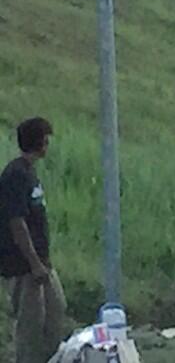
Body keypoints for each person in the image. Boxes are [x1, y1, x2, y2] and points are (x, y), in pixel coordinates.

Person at [1, 118, 65, 363]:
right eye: (45, 139)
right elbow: (17, 222)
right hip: (23, 265)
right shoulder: (15, 175)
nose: (48, 144)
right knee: (30, 326)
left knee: (56, 309)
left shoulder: (30, 172)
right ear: (39, 142)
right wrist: (34, 262)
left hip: (41, 261)